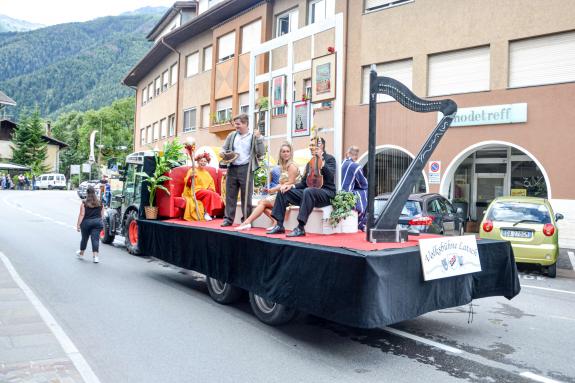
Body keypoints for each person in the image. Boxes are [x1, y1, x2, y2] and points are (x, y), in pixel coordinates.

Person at [267, 136, 336, 237]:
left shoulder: (330, 159)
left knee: (308, 191)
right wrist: (292, 186)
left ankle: (300, 228)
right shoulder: (310, 163)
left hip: (326, 193)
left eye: (314, 145)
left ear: (321, 146)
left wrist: (322, 162)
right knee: (283, 191)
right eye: (310, 145)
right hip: (309, 193)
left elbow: (330, 176)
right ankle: (279, 225)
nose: (311, 147)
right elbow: (304, 183)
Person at [235, 142, 301, 231]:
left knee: (262, 203)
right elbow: (282, 183)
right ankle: (275, 221)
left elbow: (291, 183)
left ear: (291, 153)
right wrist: (271, 190)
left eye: (287, 151)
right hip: (283, 193)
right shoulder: (283, 166)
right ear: (280, 154)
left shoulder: (291, 166)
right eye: (283, 152)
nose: (285, 153)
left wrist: (273, 189)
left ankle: (247, 222)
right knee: (261, 202)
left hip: (290, 196)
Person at [220, 113, 265, 227]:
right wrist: (224, 154)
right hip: (233, 168)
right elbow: (223, 149)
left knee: (246, 196)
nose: (236, 126)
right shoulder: (232, 135)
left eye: (238, 124)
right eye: (235, 124)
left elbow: (261, 153)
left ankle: (246, 219)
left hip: (246, 168)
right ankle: (228, 219)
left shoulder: (253, 136)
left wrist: (259, 138)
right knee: (230, 195)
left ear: (245, 124)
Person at [183, 152, 224, 221]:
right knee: (209, 194)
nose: (203, 162)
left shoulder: (207, 173)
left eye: (205, 161)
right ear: (198, 161)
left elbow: (211, 184)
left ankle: (206, 213)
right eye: (201, 161)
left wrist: (210, 189)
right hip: (194, 191)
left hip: (205, 192)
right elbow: (188, 183)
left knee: (215, 195)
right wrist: (191, 177)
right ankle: (206, 213)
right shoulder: (192, 170)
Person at [341, 145, 368, 231]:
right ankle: (361, 223)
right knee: (364, 192)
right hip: (346, 195)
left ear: (346, 154)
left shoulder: (340, 163)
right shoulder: (355, 166)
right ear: (356, 156)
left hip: (335, 193)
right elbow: (363, 184)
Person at [76, 186, 104, 263]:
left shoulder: (84, 203)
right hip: (97, 223)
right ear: (95, 193)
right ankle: (95, 257)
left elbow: (82, 214)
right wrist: (99, 222)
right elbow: (102, 215)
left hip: (86, 223)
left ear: (87, 193)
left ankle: (81, 254)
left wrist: (78, 225)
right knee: (95, 239)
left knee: (84, 238)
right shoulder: (100, 203)